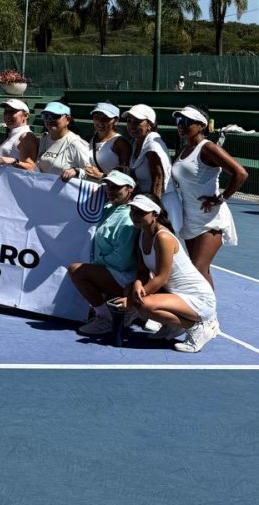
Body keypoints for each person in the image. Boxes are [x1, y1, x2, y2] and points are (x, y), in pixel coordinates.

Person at [122, 193, 218, 353]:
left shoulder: (163, 237)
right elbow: (142, 270)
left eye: (141, 212)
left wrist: (133, 300)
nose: (135, 216)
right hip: (175, 295)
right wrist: (137, 285)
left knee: (144, 305)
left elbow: (161, 278)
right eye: (133, 211)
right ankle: (172, 325)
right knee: (130, 288)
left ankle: (199, 327)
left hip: (199, 299)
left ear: (155, 214)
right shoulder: (142, 234)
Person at [171, 105, 246, 291]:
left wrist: (220, 198)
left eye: (186, 121)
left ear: (201, 125)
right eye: (179, 121)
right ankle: (202, 312)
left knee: (198, 271)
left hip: (210, 219)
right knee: (198, 270)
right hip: (191, 219)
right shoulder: (184, 150)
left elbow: (241, 173)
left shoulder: (208, 148)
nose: (181, 125)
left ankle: (207, 316)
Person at [67, 170, 140, 335]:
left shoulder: (128, 219)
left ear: (130, 189)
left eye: (116, 187)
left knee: (76, 270)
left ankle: (106, 318)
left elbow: (121, 261)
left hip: (124, 275)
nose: (111, 190)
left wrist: (94, 267)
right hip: (113, 270)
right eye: (109, 186)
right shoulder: (109, 207)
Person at [123, 104, 183, 236]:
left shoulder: (153, 146)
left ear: (149, 125)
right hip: (147, 202)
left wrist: (153, 210)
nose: (132, 125)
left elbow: (158, 180)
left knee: (160, 247)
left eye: (137, 122)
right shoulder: (136, 142)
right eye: (129, 121)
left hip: (161, 203)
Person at [35, 102, 92, 179]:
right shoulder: (44, 139)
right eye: (45, 116)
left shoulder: (76, 143)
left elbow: (91, 172)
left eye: (55, 116)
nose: (49, 120)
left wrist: (76, 171)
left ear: (67, 120)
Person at [83, 102, 132, 179]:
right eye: (96, 117)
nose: (100, 122)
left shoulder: (121, 144)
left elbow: (125, 177)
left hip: (109, 190)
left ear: (116, 121)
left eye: (106, 118)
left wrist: (101, 176)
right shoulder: (88, 139)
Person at [0, 99, 38, 170]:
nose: (7, 116)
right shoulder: (13, 134)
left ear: (26, 115)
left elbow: (31, 168)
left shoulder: (26, 137)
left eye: (12, 112)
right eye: (6, 112)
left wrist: (13, 161)